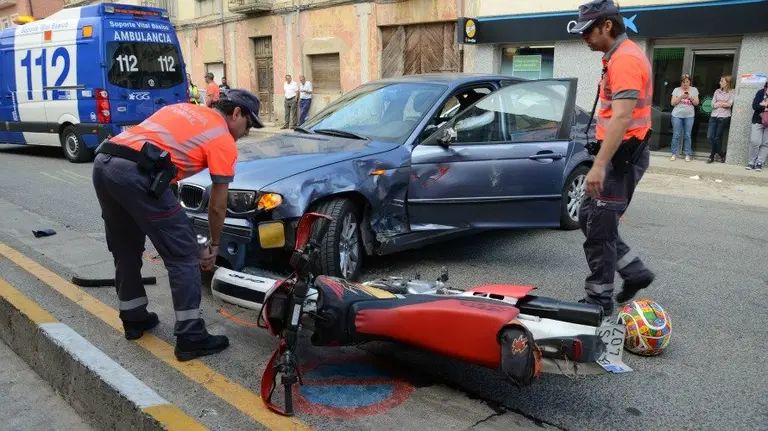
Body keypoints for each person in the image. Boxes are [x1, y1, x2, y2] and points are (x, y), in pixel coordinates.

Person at [91, 89, 264, 361]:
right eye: (248, 125)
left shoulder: (182, 109)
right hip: (137, 173)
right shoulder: (222, 138)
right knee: (184, 255)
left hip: (105, 163)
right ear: (237, 113)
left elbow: (165, 172)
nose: (246, 133)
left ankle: (134, 318)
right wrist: (213, 244)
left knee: (125, 248)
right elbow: (217, 205)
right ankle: (191, 336)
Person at [567, 0, 656, 316]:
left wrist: (600, 166)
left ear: (607, 25)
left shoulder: (626, 60)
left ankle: (599, 302)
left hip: (620, 160)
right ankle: (634, 272)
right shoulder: (617, 57)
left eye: (588, 31)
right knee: (588, 218)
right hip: (618, 156)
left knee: (599, 230)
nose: (584, 37)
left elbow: (621, 117)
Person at [670, 74, 699, 162]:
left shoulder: (694, 90)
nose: (685, 84)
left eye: (687, 82)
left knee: (687, 135)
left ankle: (687, 154)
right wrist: (680, 97)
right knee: (676, 135)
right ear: (681, 82)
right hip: (677, 115)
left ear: (690, 82)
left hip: (689, 116)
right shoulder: (676, 90)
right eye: (683, 82)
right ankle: (674, 154)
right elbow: (672, 103)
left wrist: (690, 97)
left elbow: (696, 103)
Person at [706, 74, 734, 164]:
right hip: (713, 116)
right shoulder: (717, 91)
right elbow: (712, 104)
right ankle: (722, 154)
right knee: (710, 137)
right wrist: (722, 103)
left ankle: (711, 156)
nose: (720, 82)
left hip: (724, 117)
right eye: (720, 81)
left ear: (727, 82)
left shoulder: (732, 92)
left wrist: (719, 103)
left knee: (717, 138)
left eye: (722, 81)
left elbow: (729, 104)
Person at [746, 81, 768, 172]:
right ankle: (751, 161)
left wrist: (764, 105)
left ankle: (759, 162)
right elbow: (755, 106)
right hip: (758, 120)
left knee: (766, 143)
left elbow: (759, 106)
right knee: (754, 141)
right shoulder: (760, 92)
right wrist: (765, 108)